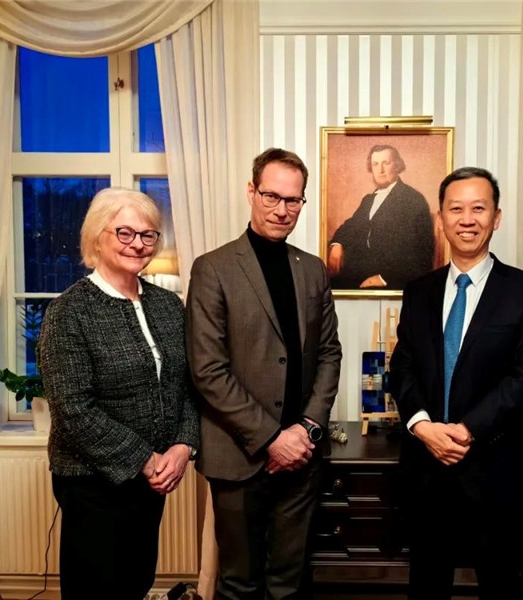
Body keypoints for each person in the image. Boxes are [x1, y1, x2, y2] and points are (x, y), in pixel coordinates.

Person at [389, 167, 523, 600]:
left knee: (503, 589)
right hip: (427, 470)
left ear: (496, 217)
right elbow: (402, 367)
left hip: (495, 470)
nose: (467, 219)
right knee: (427, 587)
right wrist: (423, 426)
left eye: (478, 208)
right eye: (455, 208)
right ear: (440, 218)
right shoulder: (419, 291)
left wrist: (466, 429)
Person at [186, 148, 342, 600]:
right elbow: (207, 369)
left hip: (302, 458)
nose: (281, 209)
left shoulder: (312, 269)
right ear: (251, 192)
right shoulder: (213, 268)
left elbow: (329, 353)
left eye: (293, 200)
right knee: (239, 584)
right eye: (272, 196)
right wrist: (273, 438)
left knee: (288, 585)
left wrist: (307, 428)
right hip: (239, 457)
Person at [38, 187, 200, 600]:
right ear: (97, 236)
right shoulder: (69, 311)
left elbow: (187, 385)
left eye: (148, 235)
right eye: (125, 233)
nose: (138, 244)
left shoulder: (168, 305)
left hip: (151, 483)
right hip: (92, 485)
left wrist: (183, 446)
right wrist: (146, 459)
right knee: (95, 591)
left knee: (135, 583)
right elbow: (73, 410)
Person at [327, 144, 435, 289]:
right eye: (375, 164)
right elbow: (351, 226)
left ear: (397, 165)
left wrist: (384, 278)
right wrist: (337, 244)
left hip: (394, 278)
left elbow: (420, 252)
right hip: (360, 271)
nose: (381, 170)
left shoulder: (412, 199)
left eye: (386, 163)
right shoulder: (369, 200)